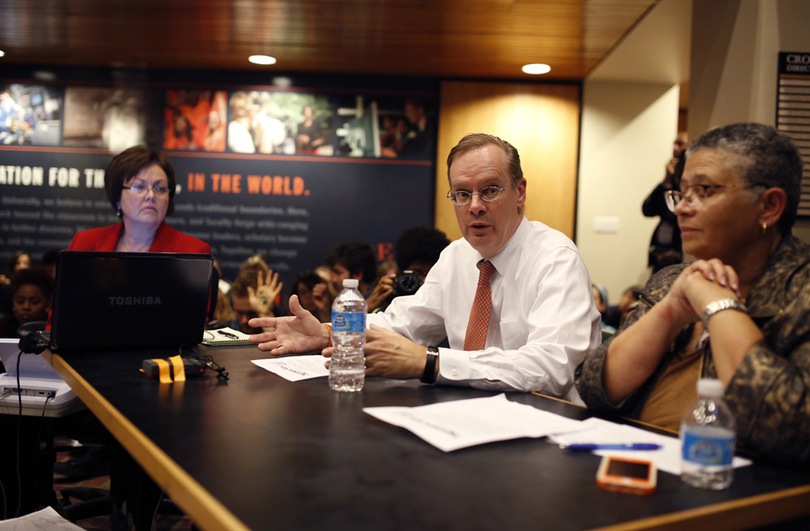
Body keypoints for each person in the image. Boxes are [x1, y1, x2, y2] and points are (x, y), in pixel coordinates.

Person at [250, 133, 600, 399]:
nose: (474, 206)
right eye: (462, 194)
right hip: (468, 415)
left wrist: (430, 362)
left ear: (520, 191)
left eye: (490, 190)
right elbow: (404, 325)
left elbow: (552, 370)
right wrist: (329, 332)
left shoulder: (555, 258)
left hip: (543, 427)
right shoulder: (456, 256)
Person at [576, 123, 810, 466]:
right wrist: (671, 309)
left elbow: (794, 430)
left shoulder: (800, 291)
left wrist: (718, 306)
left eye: (703, 191)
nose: (683, 208)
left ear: (769, 207)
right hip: (634, 465)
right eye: (681, 193)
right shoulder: (673, 280)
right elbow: (593, 387)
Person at [67, 146, 210, 253]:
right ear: (118, 197)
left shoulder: (193, 252)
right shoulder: (84, 244)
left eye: (159, 188)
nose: (150, 196)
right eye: (139, 187)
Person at [643, 133, 688, 273]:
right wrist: (666, 182)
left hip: (678, 257)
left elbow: (675, 214)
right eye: (674, 143)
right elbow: (647, 210)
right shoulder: (671, 182)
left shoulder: (685, 184)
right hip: (659, 256)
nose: (674, 147)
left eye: (680, 143)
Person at [0, 268, 53, 338]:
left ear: (48, 305)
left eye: (34, 302)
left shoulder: (54, 330)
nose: (26, 307)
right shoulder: (3, 325)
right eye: (20, 301)